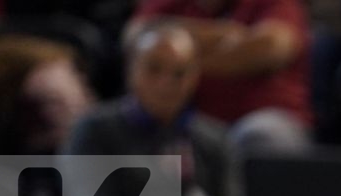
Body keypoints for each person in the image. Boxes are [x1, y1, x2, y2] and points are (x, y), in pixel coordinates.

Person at [64, 22, 339, 196]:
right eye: (154, 68)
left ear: (195, 77)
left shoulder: (213, 137)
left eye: (179, 73)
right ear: (131, 69)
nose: (165, 83)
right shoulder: (94, 129)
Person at [127, 0, 315, 155]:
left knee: (260, 135)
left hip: (264, 120)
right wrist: (225, 34)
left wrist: (176, 46)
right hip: (191, 121)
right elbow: (136, 37)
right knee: (126, 125)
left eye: (181, 72)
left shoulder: (276, 4)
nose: (174, 74)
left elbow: (268, 49)